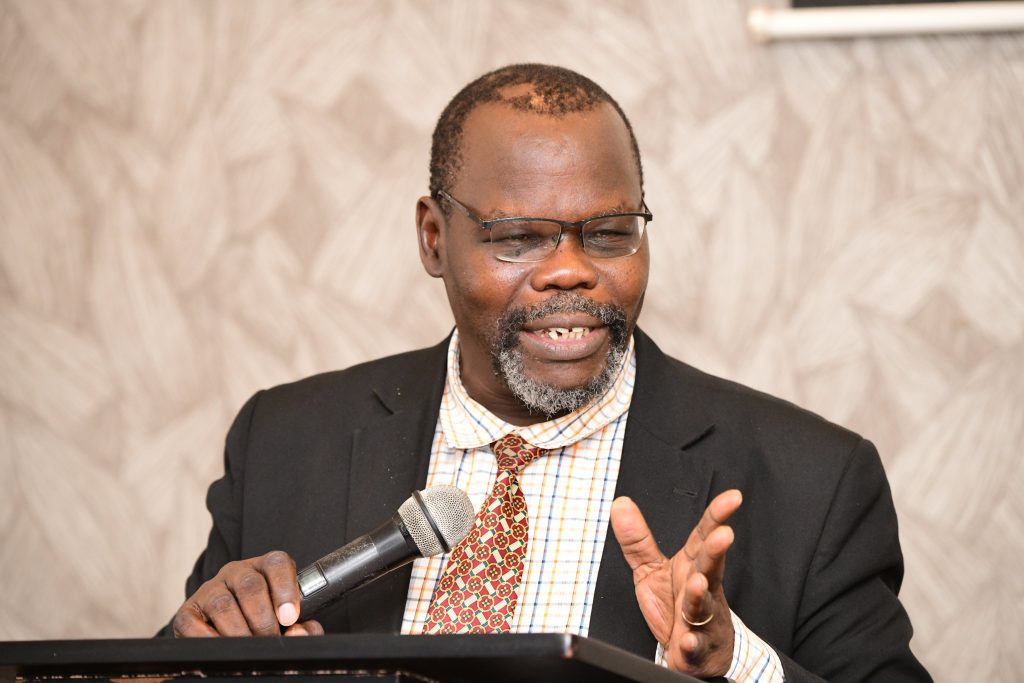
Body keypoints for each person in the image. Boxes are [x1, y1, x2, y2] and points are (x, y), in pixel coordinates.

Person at [165, 64, 931, 682]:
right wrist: (187, 653)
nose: (570, 272)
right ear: (434, 239)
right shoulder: (285, 442)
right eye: (519, 237)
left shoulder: (813, 482)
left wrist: (742, 669)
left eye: (607, 234)